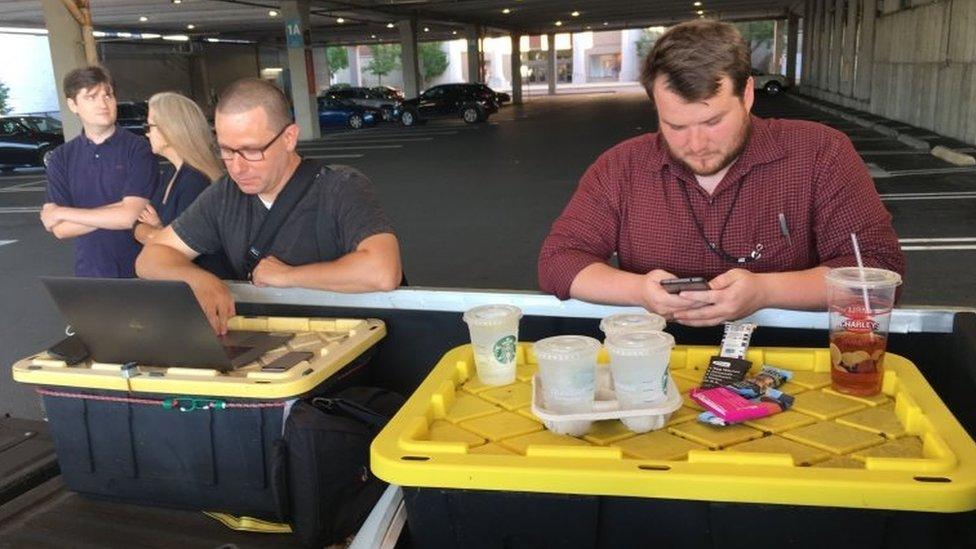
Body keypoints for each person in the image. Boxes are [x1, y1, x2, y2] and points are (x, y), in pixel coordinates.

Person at [538, 20, 905, 327]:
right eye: (676, 126)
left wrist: (765, 292)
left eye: (712, 121)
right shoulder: (620, 168)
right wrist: (638, 291)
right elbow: (559, 262)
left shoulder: (820, 152)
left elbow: (878, 272)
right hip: (660, 355)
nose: (696, 144)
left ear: (746, 95)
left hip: (795, 356)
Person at [136, 78, 402, 334]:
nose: (237, 167)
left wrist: (287, 276)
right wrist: (197, 279)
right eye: (226, 151)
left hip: (352, 346)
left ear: (289, 137)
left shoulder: (341, 187)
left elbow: (382, 270)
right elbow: (151, 257)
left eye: (252, 151)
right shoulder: (225, 195)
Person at [40, 66, 157, 277]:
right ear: (73, 105)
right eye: (91, 97)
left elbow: (127, 217)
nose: (103, 103)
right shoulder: (61, 158)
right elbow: (61, 230)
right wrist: (120, 209)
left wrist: (61, 211)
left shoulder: (138, 149)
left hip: (143, 271)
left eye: (108, 95)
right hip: (90, 274)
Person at [134, 91, 233, 278]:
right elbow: (136, 225)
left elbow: (185, 248)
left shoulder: (196, 182)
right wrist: (160, 233)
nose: (146, 133)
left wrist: (156, 231)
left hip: (201, 287)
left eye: (150, 126)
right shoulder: (171, 173)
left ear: (170, 129)